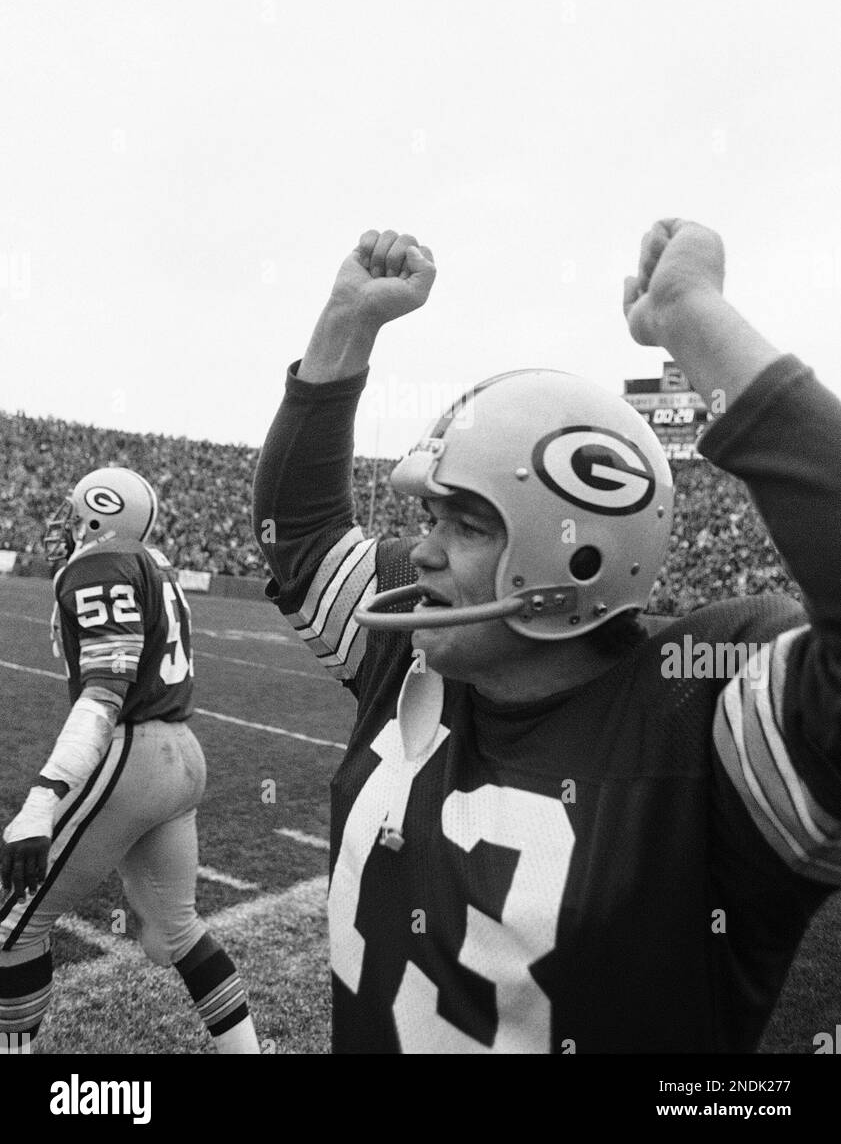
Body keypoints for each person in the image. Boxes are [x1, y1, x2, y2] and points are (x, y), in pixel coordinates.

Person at [253, 222, 841, 1054]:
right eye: (429, 514)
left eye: (463, 523)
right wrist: (346, 321)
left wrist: (691, 316)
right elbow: (302, 541)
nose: (421, 549)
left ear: (570, 552)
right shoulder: (413, 647)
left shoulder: (702, 711)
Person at [0, 466, 260, 1054]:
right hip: (182, 755)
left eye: (75, 513)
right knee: (176, 929)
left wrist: (43, 801)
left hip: (132, 753)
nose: (64, 524)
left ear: (100, 514)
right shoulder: (153, 562)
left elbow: (103, 693)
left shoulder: (103, 562)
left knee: (10, 927)